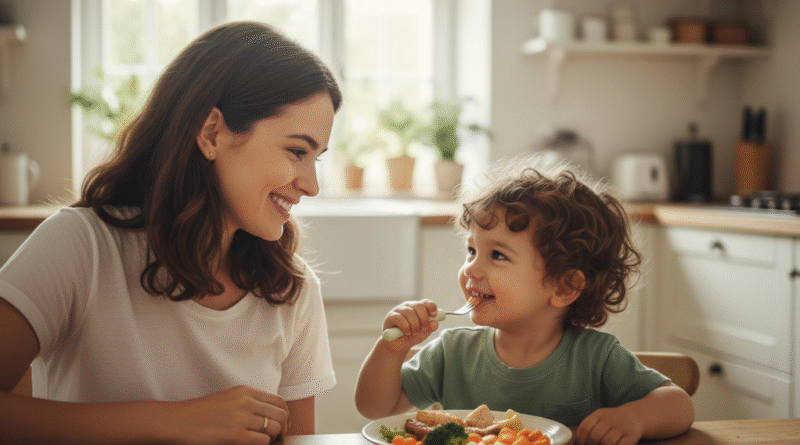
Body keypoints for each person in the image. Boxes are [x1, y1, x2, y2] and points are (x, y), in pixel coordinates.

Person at [0, 21, 341, 444]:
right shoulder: (82, 246)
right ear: (212, 132)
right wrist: (172, 422)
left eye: (316, 158)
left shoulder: (292, 288)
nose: (312, 185)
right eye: (297, 151)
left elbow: (299, 441)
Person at [355, 160, 695, 445]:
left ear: (564, 287)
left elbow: (679, 405)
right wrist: (391, 350)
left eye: (497, 255)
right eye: (471, 250)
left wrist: (633, 418)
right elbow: (374, 408)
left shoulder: (597, 358)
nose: (470, 268)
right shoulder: (453, 351)